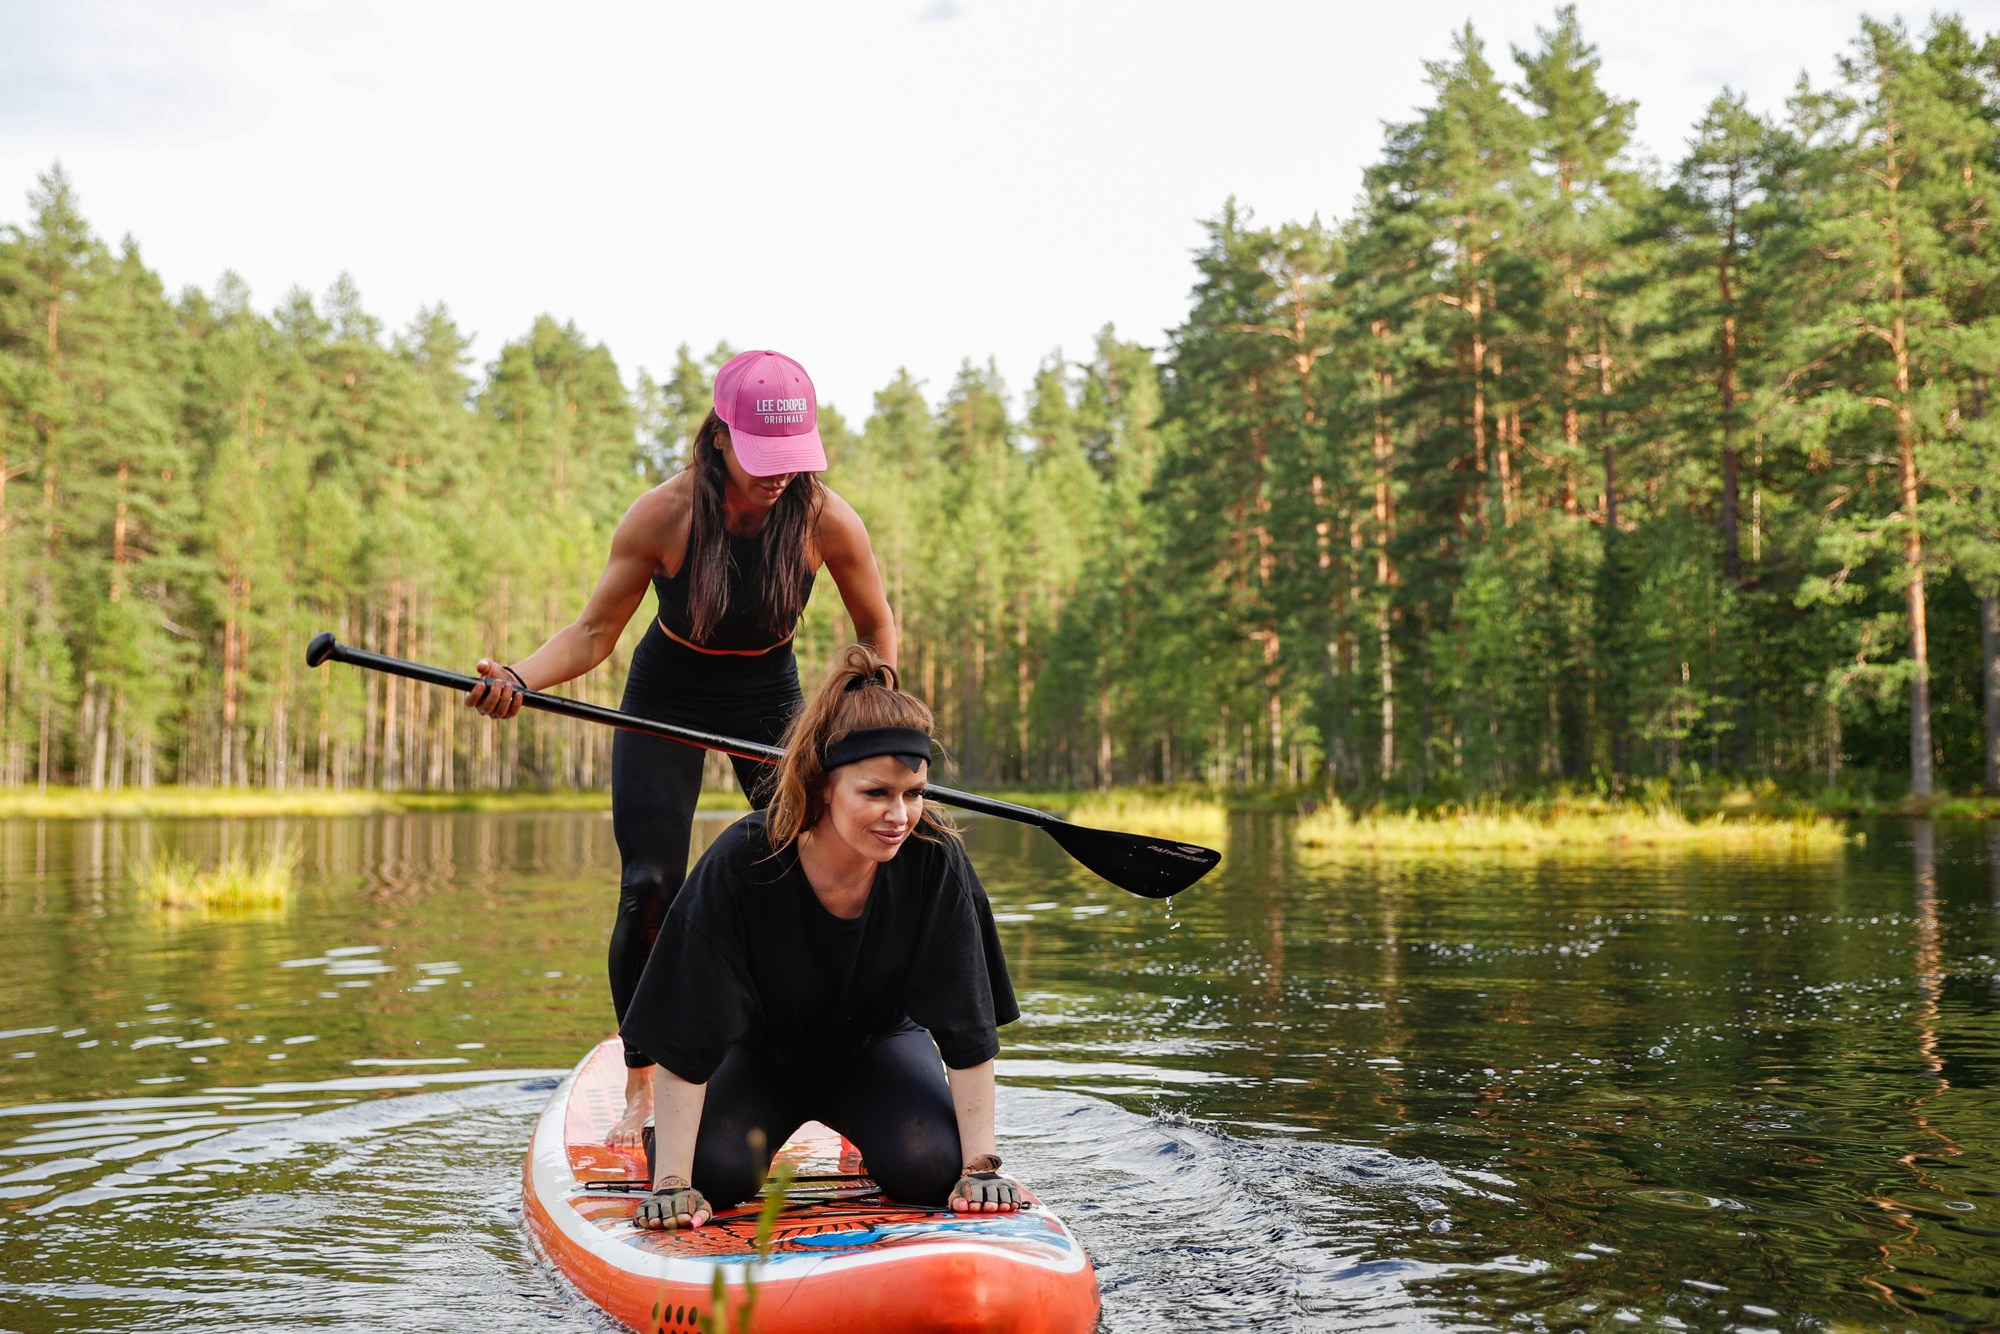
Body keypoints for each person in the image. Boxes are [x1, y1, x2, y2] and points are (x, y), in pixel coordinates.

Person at [464, 350, 898, 1145]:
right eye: (763, 461)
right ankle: (641, 1081)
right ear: (719, 436)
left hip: (770, 700)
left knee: (819, 868)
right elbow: (595, 632)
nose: (777, 477)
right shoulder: (663, 515)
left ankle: (833, 1056)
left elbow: (876, 627)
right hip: (666, 696)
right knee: (652, 884)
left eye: (791, 460)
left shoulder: (825, 517)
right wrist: (521, 678)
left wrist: (871, 704)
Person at [621, 645, 1025, 1227]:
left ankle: (875, 1139)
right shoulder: (743, 861)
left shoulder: (934, 860)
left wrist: (981, 1167)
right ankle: (676, 1145)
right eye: (876, 793)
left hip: (878, 1049)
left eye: (913, 793)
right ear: (824, 786)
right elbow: (686, 1035)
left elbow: (968, 1027)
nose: (900, 816)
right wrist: (673, 1184)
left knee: (934, 1169)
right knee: (717, 1178)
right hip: (759, 1056)